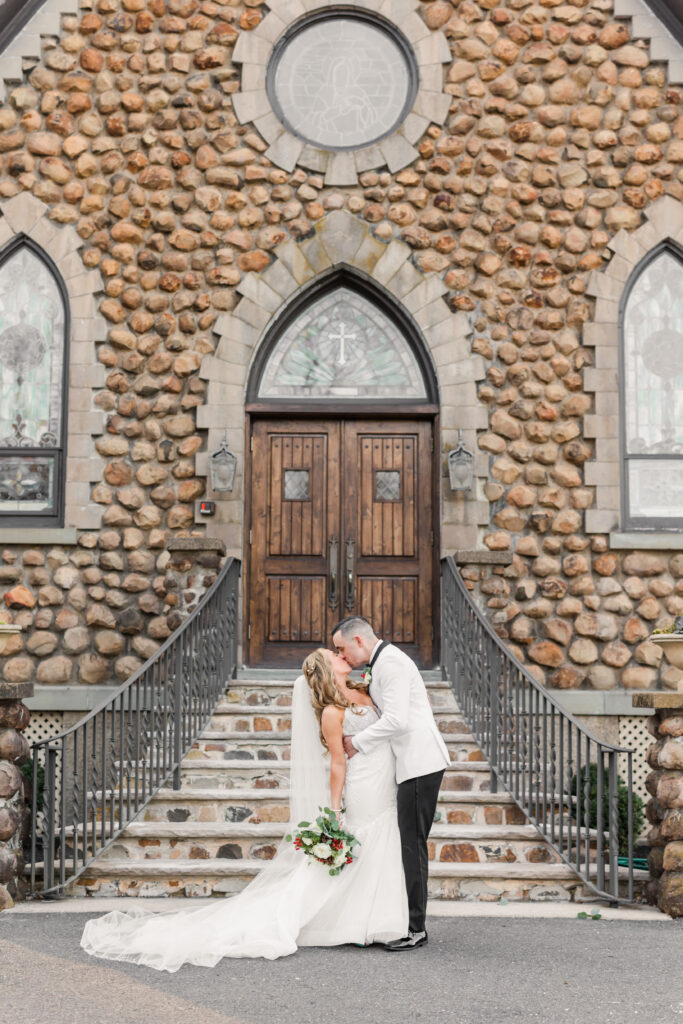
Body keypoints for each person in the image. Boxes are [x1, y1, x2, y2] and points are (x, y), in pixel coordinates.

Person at [80, 649, 408, 971]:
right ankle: (354, 923)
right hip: (364, 784)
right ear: (325, 668)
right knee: (368, 840)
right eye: (334, 654)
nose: (342, 656)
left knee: (381, 843)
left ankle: (367, 920)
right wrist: (335, 811)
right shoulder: (332, 713)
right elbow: (338, 763)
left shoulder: (364, 688)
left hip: (384, 776)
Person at [332, 616, 450, 952]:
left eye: (342, 648)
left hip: (419, 762)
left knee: (412, 846)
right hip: (411, 761)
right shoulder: (382, 661)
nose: (342, 656)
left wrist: (357, 742)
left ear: (358, 640)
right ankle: (408, 921)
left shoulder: (392, 662)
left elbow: (397, 720)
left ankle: (416, 929)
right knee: (409, 843)